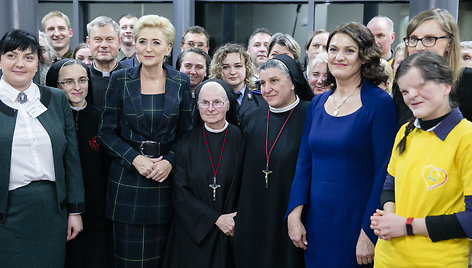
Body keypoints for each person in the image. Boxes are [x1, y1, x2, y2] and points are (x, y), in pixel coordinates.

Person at [286, 22, 397, 267]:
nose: (339, 57)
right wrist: (294, 213)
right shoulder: (317, 103)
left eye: (349, 50)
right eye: (334, 49)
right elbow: (304, 163)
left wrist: (369, 233)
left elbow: (384, 173)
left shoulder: (379, 105)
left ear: (364, 56)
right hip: (316, 223)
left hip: (356, 222)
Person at [98, 14, 193, 267]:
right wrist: (134, 159)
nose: (148, 48)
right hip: (128, 186)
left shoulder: (180, 82)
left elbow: (187, 134)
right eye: (142, 42)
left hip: (167, 186)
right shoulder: (120, 80)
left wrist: (170, 162)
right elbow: (105, 133)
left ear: (169, 48)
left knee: (168, 260)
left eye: (156, 42)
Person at [371, 51, 472, 268]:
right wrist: (389, 219)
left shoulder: (467, 138)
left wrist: (406, 225)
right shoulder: (405, 131)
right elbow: (390, 185)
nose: (411, 96)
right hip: (388, 258)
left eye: (420, 86)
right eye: (405, 91)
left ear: (446, 86)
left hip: (438, 261)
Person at [0, 29, 84, 267]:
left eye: (29, 57)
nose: (20, 64)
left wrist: (75, 211)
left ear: (38, 62)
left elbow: (72, 159)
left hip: (51, 210)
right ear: (0, 59)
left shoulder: (56, 99)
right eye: (11, 55)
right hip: (7, 211)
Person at [233, 54, 314, 268]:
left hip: (292, 212)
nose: (267, 89)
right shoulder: (252, 117)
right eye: (262, 83)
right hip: (254, 213)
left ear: (293, 83)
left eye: (274, 81)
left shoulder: (311, 114)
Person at [164, 79, 242, 268]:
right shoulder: (186, 144)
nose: (211, 108)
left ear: (228, 105)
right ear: (197, 106)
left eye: (217, 102)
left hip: (232, 229)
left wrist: (235, 220)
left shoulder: (242, 139)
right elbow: (180, 193)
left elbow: (249, 186)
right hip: (193, 233)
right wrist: (214, 219)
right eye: (204, 103)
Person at [46, 59, 112, 268]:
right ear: (55, 86)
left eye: (82, 80)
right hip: (56, 212)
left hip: (96, 215)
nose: (77, 87)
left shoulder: (101, 118)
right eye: (68, 82)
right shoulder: (45, 121)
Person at [393, 9, 472, 125]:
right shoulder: (402, 85)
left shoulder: (468, 82)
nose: (419, 47)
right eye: (414, 39)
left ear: (449, 44)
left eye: (430, 39)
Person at [210, 43, 266, 127]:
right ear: (218, 70)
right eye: (226, 67)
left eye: (238, 66)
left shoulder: (261, 100)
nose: (232, 72)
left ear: (246, 68)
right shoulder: (211, 101)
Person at [86, 16, 126, 109]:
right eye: (98, 39)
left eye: (109, 39)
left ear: (119, 42)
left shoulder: (133, 77)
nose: (104, 45)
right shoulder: (81, 79)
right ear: (88, 42)